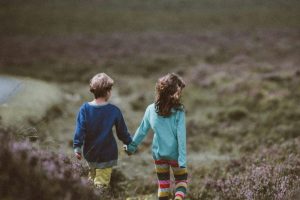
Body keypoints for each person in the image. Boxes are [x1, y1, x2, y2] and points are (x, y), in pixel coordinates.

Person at [125, 73, 188, 200]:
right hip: (176, 156)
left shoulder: (150, 109)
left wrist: (131, 147)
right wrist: (182, 159)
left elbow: (142, 130)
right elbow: (181, 136)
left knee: (163, 186)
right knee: (181, 182)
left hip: (159, 155)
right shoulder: (179, 111)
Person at [73, 73, 132, 189]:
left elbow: (80, 130)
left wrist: (77, 147)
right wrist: (129, 143)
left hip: (90, 153)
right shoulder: (114, 111)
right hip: (107, 154)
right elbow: (122, 132)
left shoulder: (84, 109)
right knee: (101, 185)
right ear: (108, 92)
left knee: (90, 183)